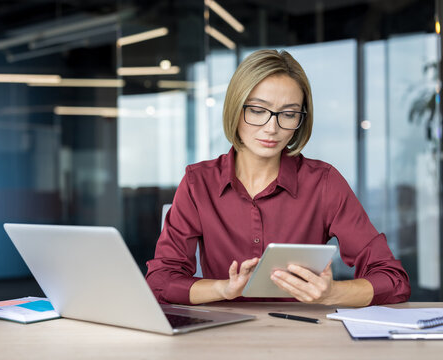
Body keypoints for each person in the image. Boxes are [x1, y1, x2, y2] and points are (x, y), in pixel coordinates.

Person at [146, 49, 411, 307]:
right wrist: (221, 288)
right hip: (222, 338)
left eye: (288, 114)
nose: (272, 128)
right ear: (236, 109)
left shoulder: (324, 183)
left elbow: (393, 280)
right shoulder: (198, 182)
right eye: (258, 110)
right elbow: (160, 281)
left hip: (302, 336)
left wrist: (332, 293)